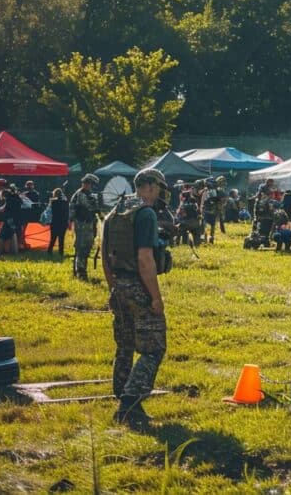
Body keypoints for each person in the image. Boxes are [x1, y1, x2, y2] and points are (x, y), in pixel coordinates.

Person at [103, 168, 170, 428]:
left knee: (126, 344)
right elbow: (145, 259)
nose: (160, 195)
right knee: (154, 347)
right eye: (160, 189)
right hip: (138, 286)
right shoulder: (145, 213)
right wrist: (155, 297)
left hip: (118, 285)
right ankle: (130, 402)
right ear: (151, 186)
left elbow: (104, 254)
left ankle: (122, 395)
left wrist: (114, 287)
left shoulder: (116, 211)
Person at [70, 174, 101, 278]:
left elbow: (95, 209)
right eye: (88, 184)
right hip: (81, 224)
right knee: (81, 247)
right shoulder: (79, 194)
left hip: (89, 224)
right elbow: (76, 209)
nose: (89, 186)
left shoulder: (90, 194)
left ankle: (81, 269)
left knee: (87, 246)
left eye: (90, 184)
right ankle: (80, 270)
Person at [0, 185, 22, 257]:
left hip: (9, 220)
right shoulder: (16, 198)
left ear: (4, 195)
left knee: (1, 235)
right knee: (13, 234)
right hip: (16, 219)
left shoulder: (8, 200)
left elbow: (3, 209)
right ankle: (15, 252)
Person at [46, 188, 69, 256]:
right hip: (63, 222)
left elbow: (48, 212)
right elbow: (67, 213)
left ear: (54, 194)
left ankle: (49, 251)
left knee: (53, 238)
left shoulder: (52, 202)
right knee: (61, 239)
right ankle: (61, 253)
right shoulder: (65, 202)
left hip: (54, 222)